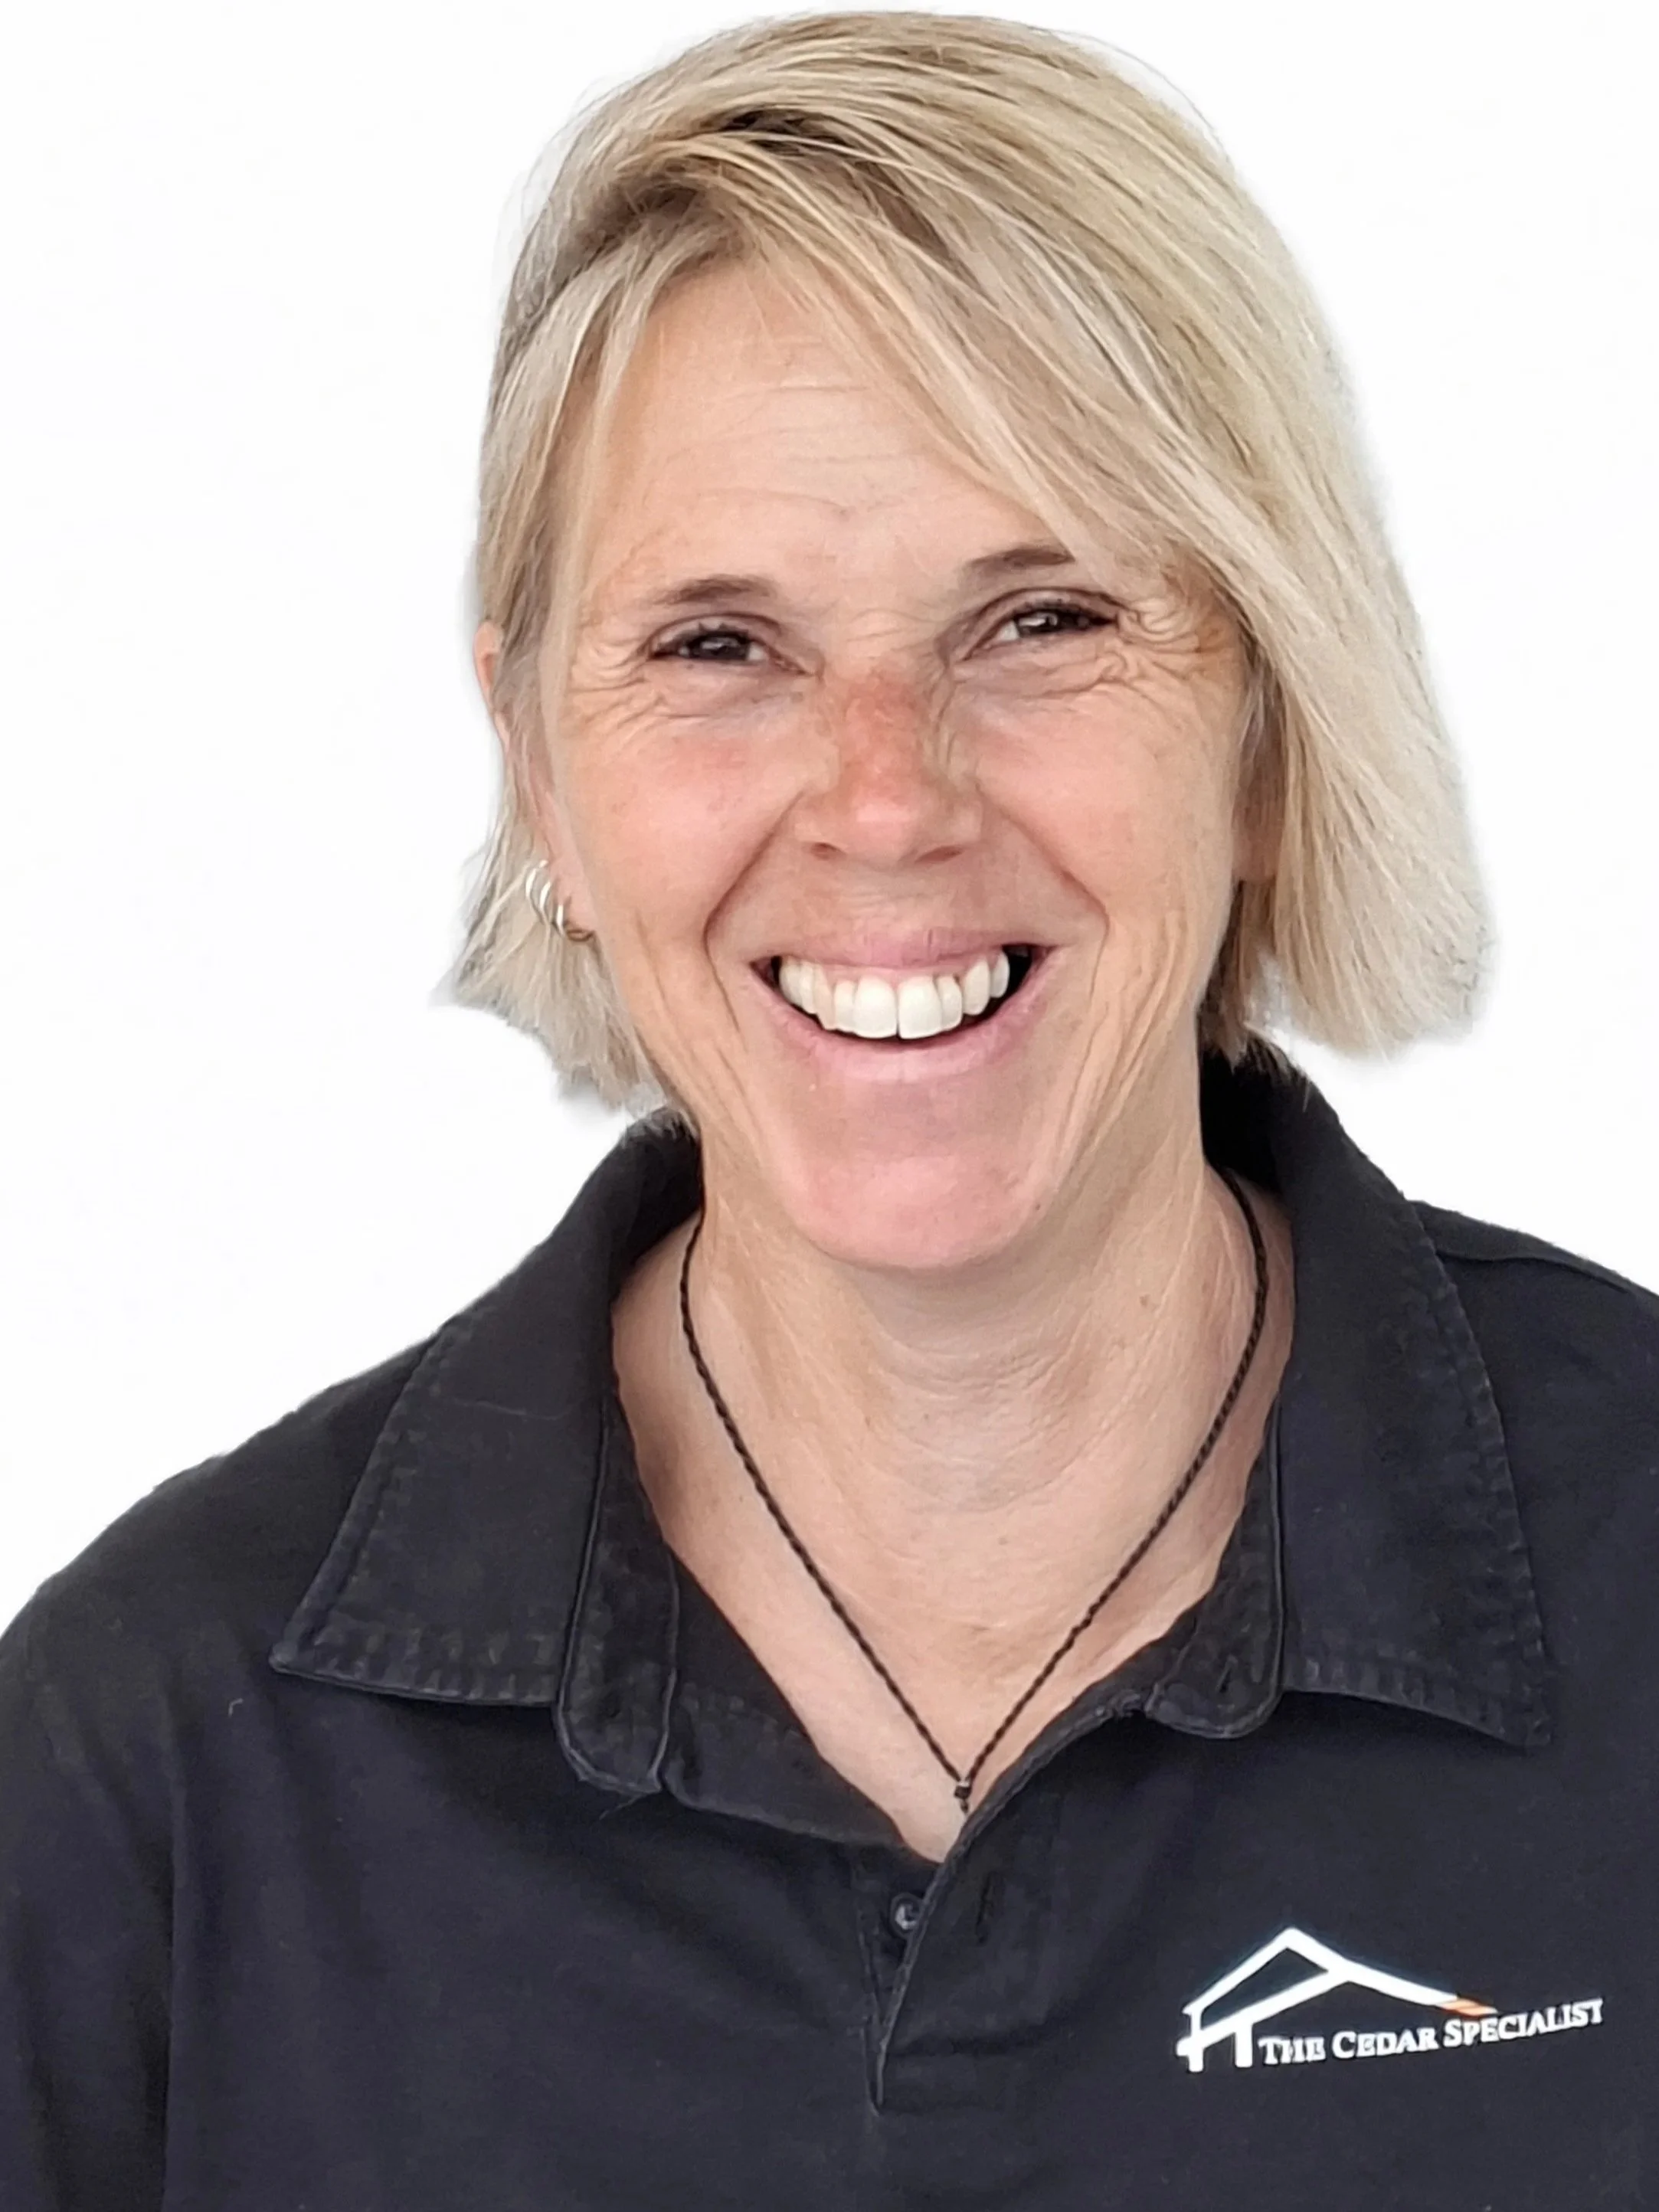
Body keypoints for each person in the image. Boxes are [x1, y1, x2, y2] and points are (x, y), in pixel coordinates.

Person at [3, 11, 1655, 2208]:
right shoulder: (154, 1773)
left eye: (1039, 618)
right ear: (541, 776)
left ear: (1263, 723)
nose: (885, 798)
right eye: (717, 647)